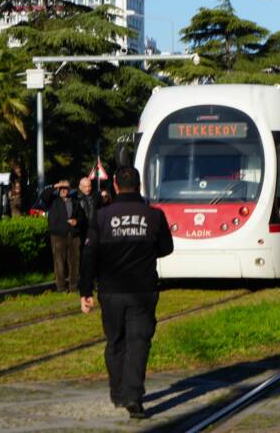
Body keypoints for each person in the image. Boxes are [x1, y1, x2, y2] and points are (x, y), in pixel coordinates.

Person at [79, 166, 173, 420]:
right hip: (143, 289)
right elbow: (166, 248)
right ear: (140, 186)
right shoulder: (154, 216)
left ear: (116, 187)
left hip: (110, 292)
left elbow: (89, 255)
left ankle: (118, 391)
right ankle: (133, 396)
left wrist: (85, 290)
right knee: (139, 342)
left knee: (115, 341)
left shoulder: (100, 217)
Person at [44, 180, 87, 292]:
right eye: (61, 188)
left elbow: (82, 218)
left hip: (73, 234)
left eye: (65, 188)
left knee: (74, 262)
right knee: (59, 262)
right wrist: (55, 186)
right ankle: (61, 287)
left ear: (69, 189)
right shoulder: (53, 200)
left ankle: (73, 286)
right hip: (58, 235)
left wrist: (76, 221)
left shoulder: (75, 201)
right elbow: (45, 195)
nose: (63, 190)